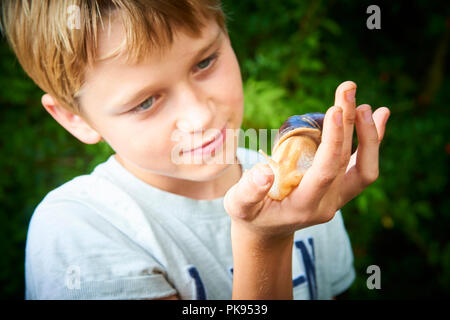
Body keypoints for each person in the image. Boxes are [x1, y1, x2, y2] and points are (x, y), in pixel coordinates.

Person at [0, 0, 390, 299]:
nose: (200, 115)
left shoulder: (306, 180)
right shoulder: (77, 231)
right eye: (145, 102)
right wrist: (264, 242)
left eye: (205, 61)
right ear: (74, 118)